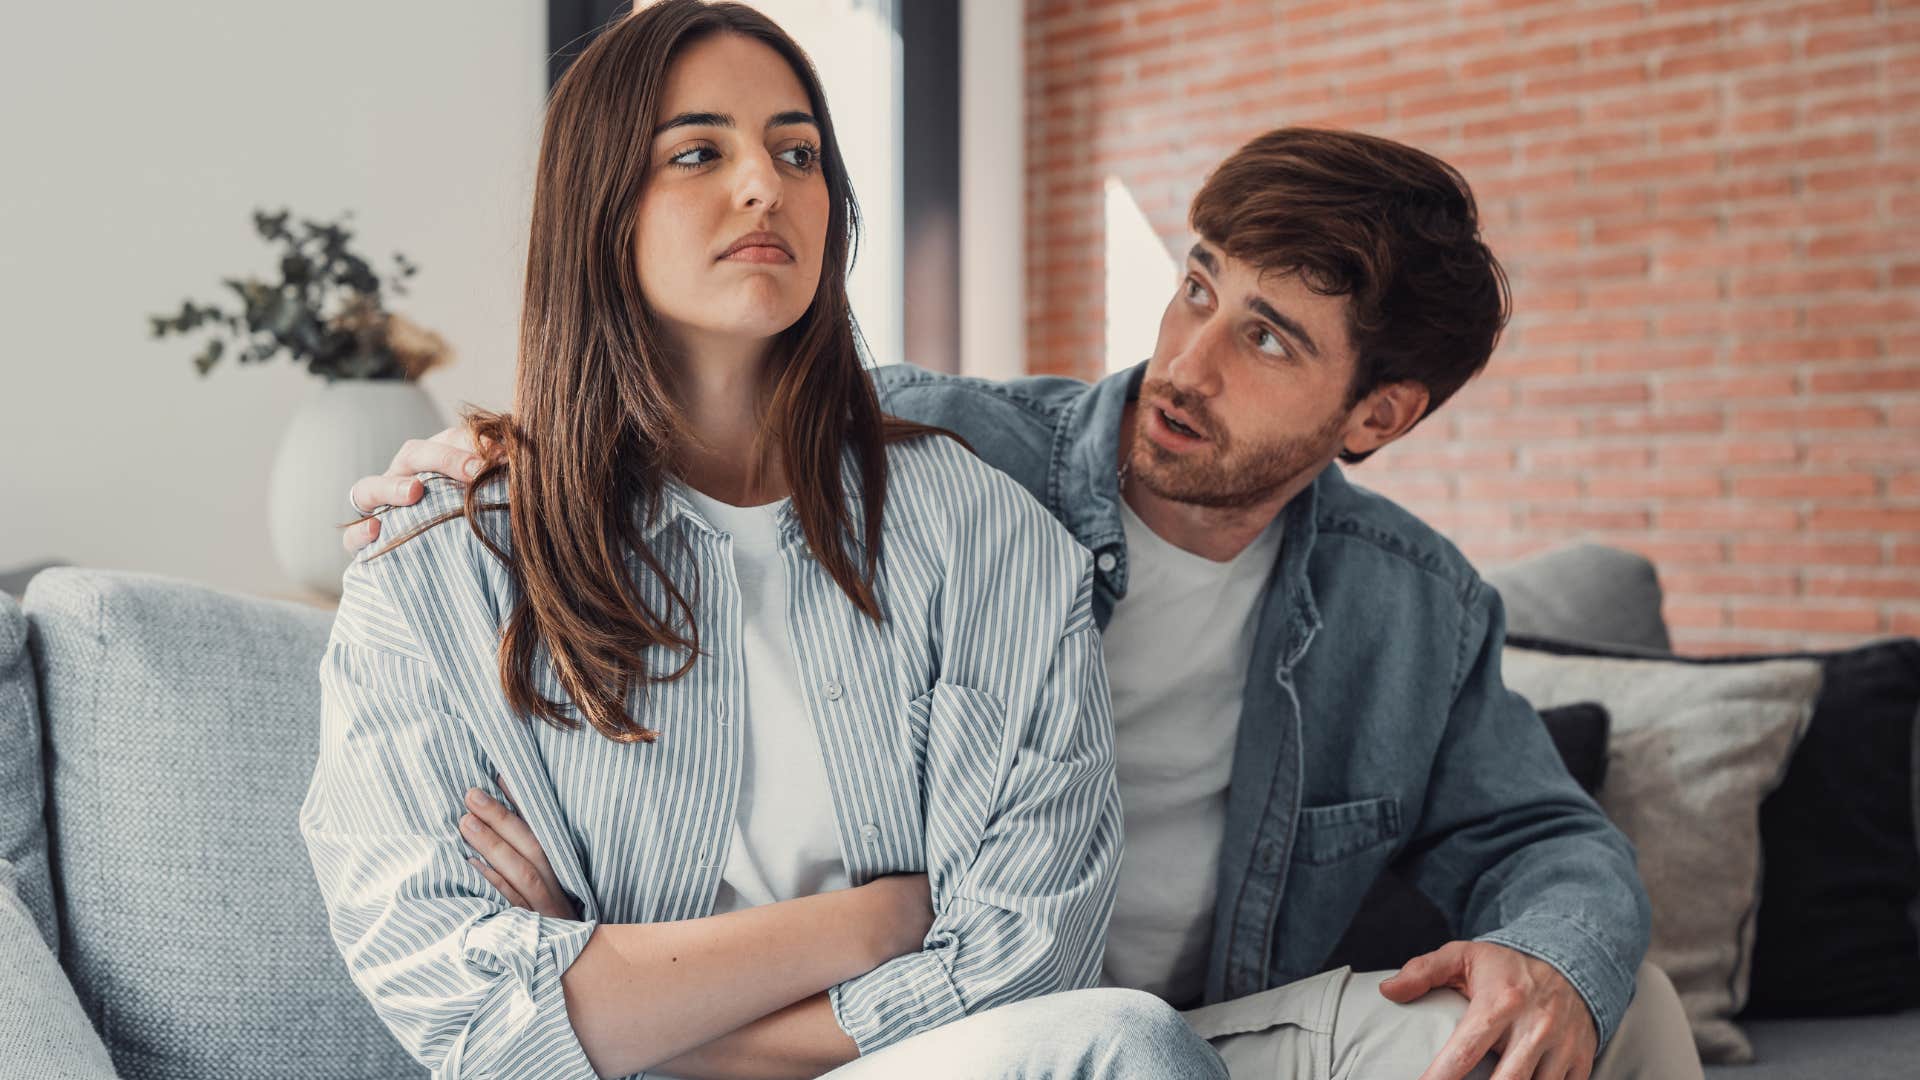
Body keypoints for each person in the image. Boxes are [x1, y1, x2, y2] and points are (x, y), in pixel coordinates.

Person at [347, 124, 1704, 1078]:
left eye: (1268, 339)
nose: (1187, 360)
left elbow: (1548, 841)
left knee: (1620, 1005)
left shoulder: (1411, 611)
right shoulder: (942, 455)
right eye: (1197, 289)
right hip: (939, 1033)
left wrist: (1554, 966)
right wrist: (486, 459)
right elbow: (676, 436)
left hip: (1209, 1033)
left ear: (1380, 414)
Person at [301, 3, 1230, 1078]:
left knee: (1121, 1048)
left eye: (799, 152)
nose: (766, 185)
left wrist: (627, 1000)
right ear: (597, 206)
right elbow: (460, 1010)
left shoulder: (984, 534)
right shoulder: (443, 564)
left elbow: (1029, 955)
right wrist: (878, 920)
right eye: (698, 151)